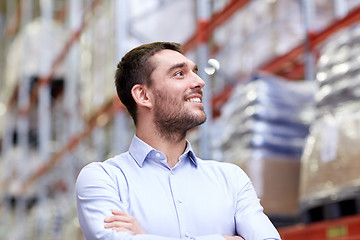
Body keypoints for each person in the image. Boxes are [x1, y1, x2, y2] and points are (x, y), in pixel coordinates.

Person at [76, 42, 281, 240]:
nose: (199, 82)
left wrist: (146, 237)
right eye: (179, 74)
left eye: (195, 71)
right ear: (143, 95)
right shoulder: (104, 179)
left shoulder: (232, 179)